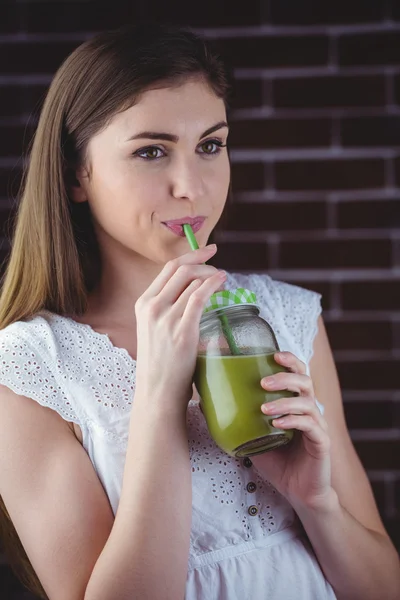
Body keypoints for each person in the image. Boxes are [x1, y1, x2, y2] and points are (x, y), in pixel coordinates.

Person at [0, 23, 398, 600]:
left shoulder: (285, 317)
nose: (192, 186)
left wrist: (318, 503)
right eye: (151, 151)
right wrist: (160, 395)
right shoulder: (29, 365)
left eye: (210, 145)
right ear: (75, 173)